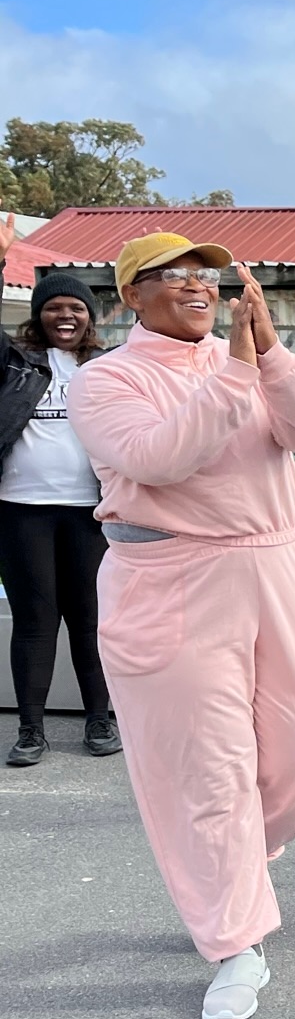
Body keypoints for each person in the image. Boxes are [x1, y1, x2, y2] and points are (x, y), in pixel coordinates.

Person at [68, 236, 295, 1019]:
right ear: (132, 296)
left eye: (207, 277)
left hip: (278, 565)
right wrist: (233, 367)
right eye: (176, 278)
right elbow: (158, 458)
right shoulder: (107, 379)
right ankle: (234, 941)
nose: (198, 289)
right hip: (174, 581)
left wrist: (269, 357)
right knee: (208, 773)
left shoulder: (249, 361)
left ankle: (229, 869)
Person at [0, 218, 117, 765]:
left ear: (89, 317)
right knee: (34, 620)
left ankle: (100, 719)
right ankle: (30, 730)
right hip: (21, 511)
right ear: (37, 314)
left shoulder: (106, 366)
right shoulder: (14, 363)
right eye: (53, 307)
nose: (65, 315)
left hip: (89, 513)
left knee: (91, 619)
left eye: (75, 307)